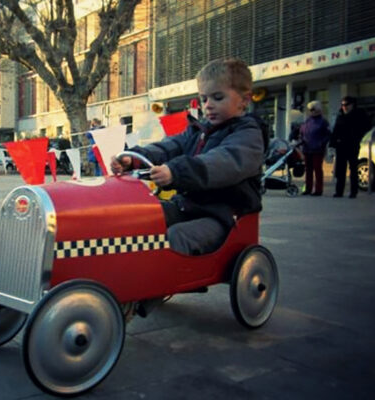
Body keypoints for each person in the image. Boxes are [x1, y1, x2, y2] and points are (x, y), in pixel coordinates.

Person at [110, 57, 266, 256]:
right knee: (142, 216)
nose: (208, 105)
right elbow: (170, 147)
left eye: (217, 98)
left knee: (177, 236)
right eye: (204, 99)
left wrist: (175, 172)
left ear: (244, 100)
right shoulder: (198, 130)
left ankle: (152, 280)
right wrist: (135, 159)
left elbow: (222, 162)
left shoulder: (248, 135)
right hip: (188, 207)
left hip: (222, 216)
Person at [329, 96, 371, 198]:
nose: (344, 107)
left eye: (346, 105)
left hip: (352, 145)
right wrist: (333, 142)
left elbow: (367, 127)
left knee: (353, 169)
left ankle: (353, 192)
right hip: (341, 145)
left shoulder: (359, 115)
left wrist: (357, 137)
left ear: (352, 105)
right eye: (343, 105)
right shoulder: (341, 115)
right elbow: (336, 130)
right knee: (340, 170)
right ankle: (339, 191)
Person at [299, 100, 331, 196]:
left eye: (313, 109)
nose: (312, 111)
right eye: (310, 109)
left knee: (317, 169)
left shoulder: (323, 122)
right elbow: (302, 132)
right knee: (308, 170)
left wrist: (321, 143)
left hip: (317, 149)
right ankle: (308, 188)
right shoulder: (307, 121)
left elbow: (328, 134)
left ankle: (318, 189)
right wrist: (301, 140)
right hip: (307, 148)